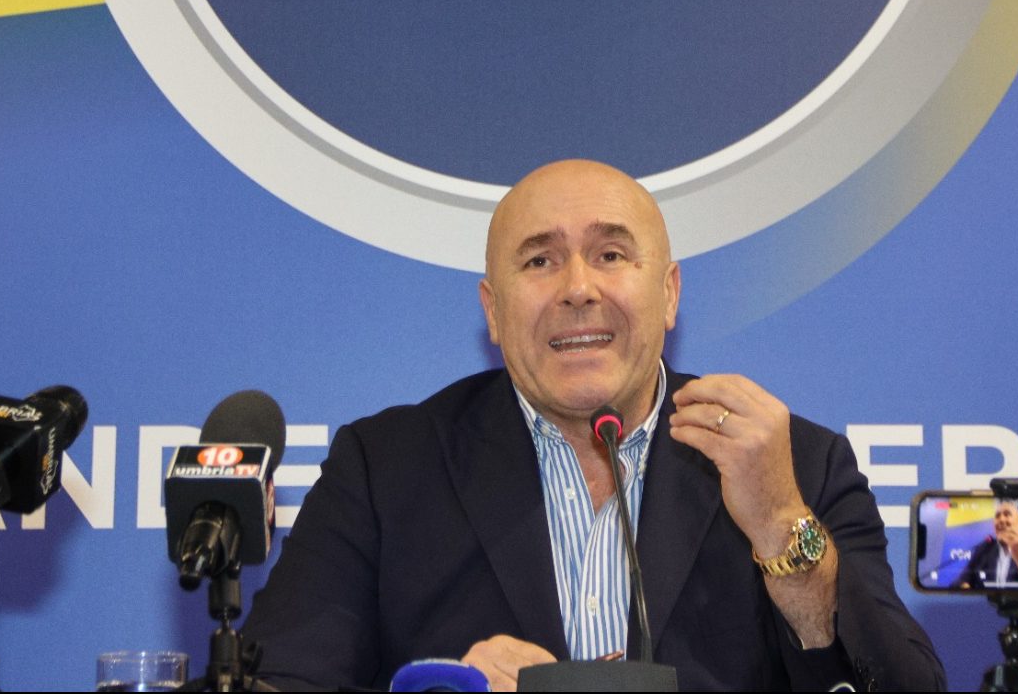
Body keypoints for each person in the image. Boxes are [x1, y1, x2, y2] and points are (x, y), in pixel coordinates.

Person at [245, 160, 944, 691]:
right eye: (540, 260)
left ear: (668, 294)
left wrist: (783, 530)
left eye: (611, 254)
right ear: (492, 311)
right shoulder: (387, 468)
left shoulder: (795, 462)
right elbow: (279, 679)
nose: (578, 288)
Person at [954, 501, 1018, 590]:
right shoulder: (984, 549)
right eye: (997, 516)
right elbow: (959, 582)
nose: (1001, 520)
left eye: (1007, 514)